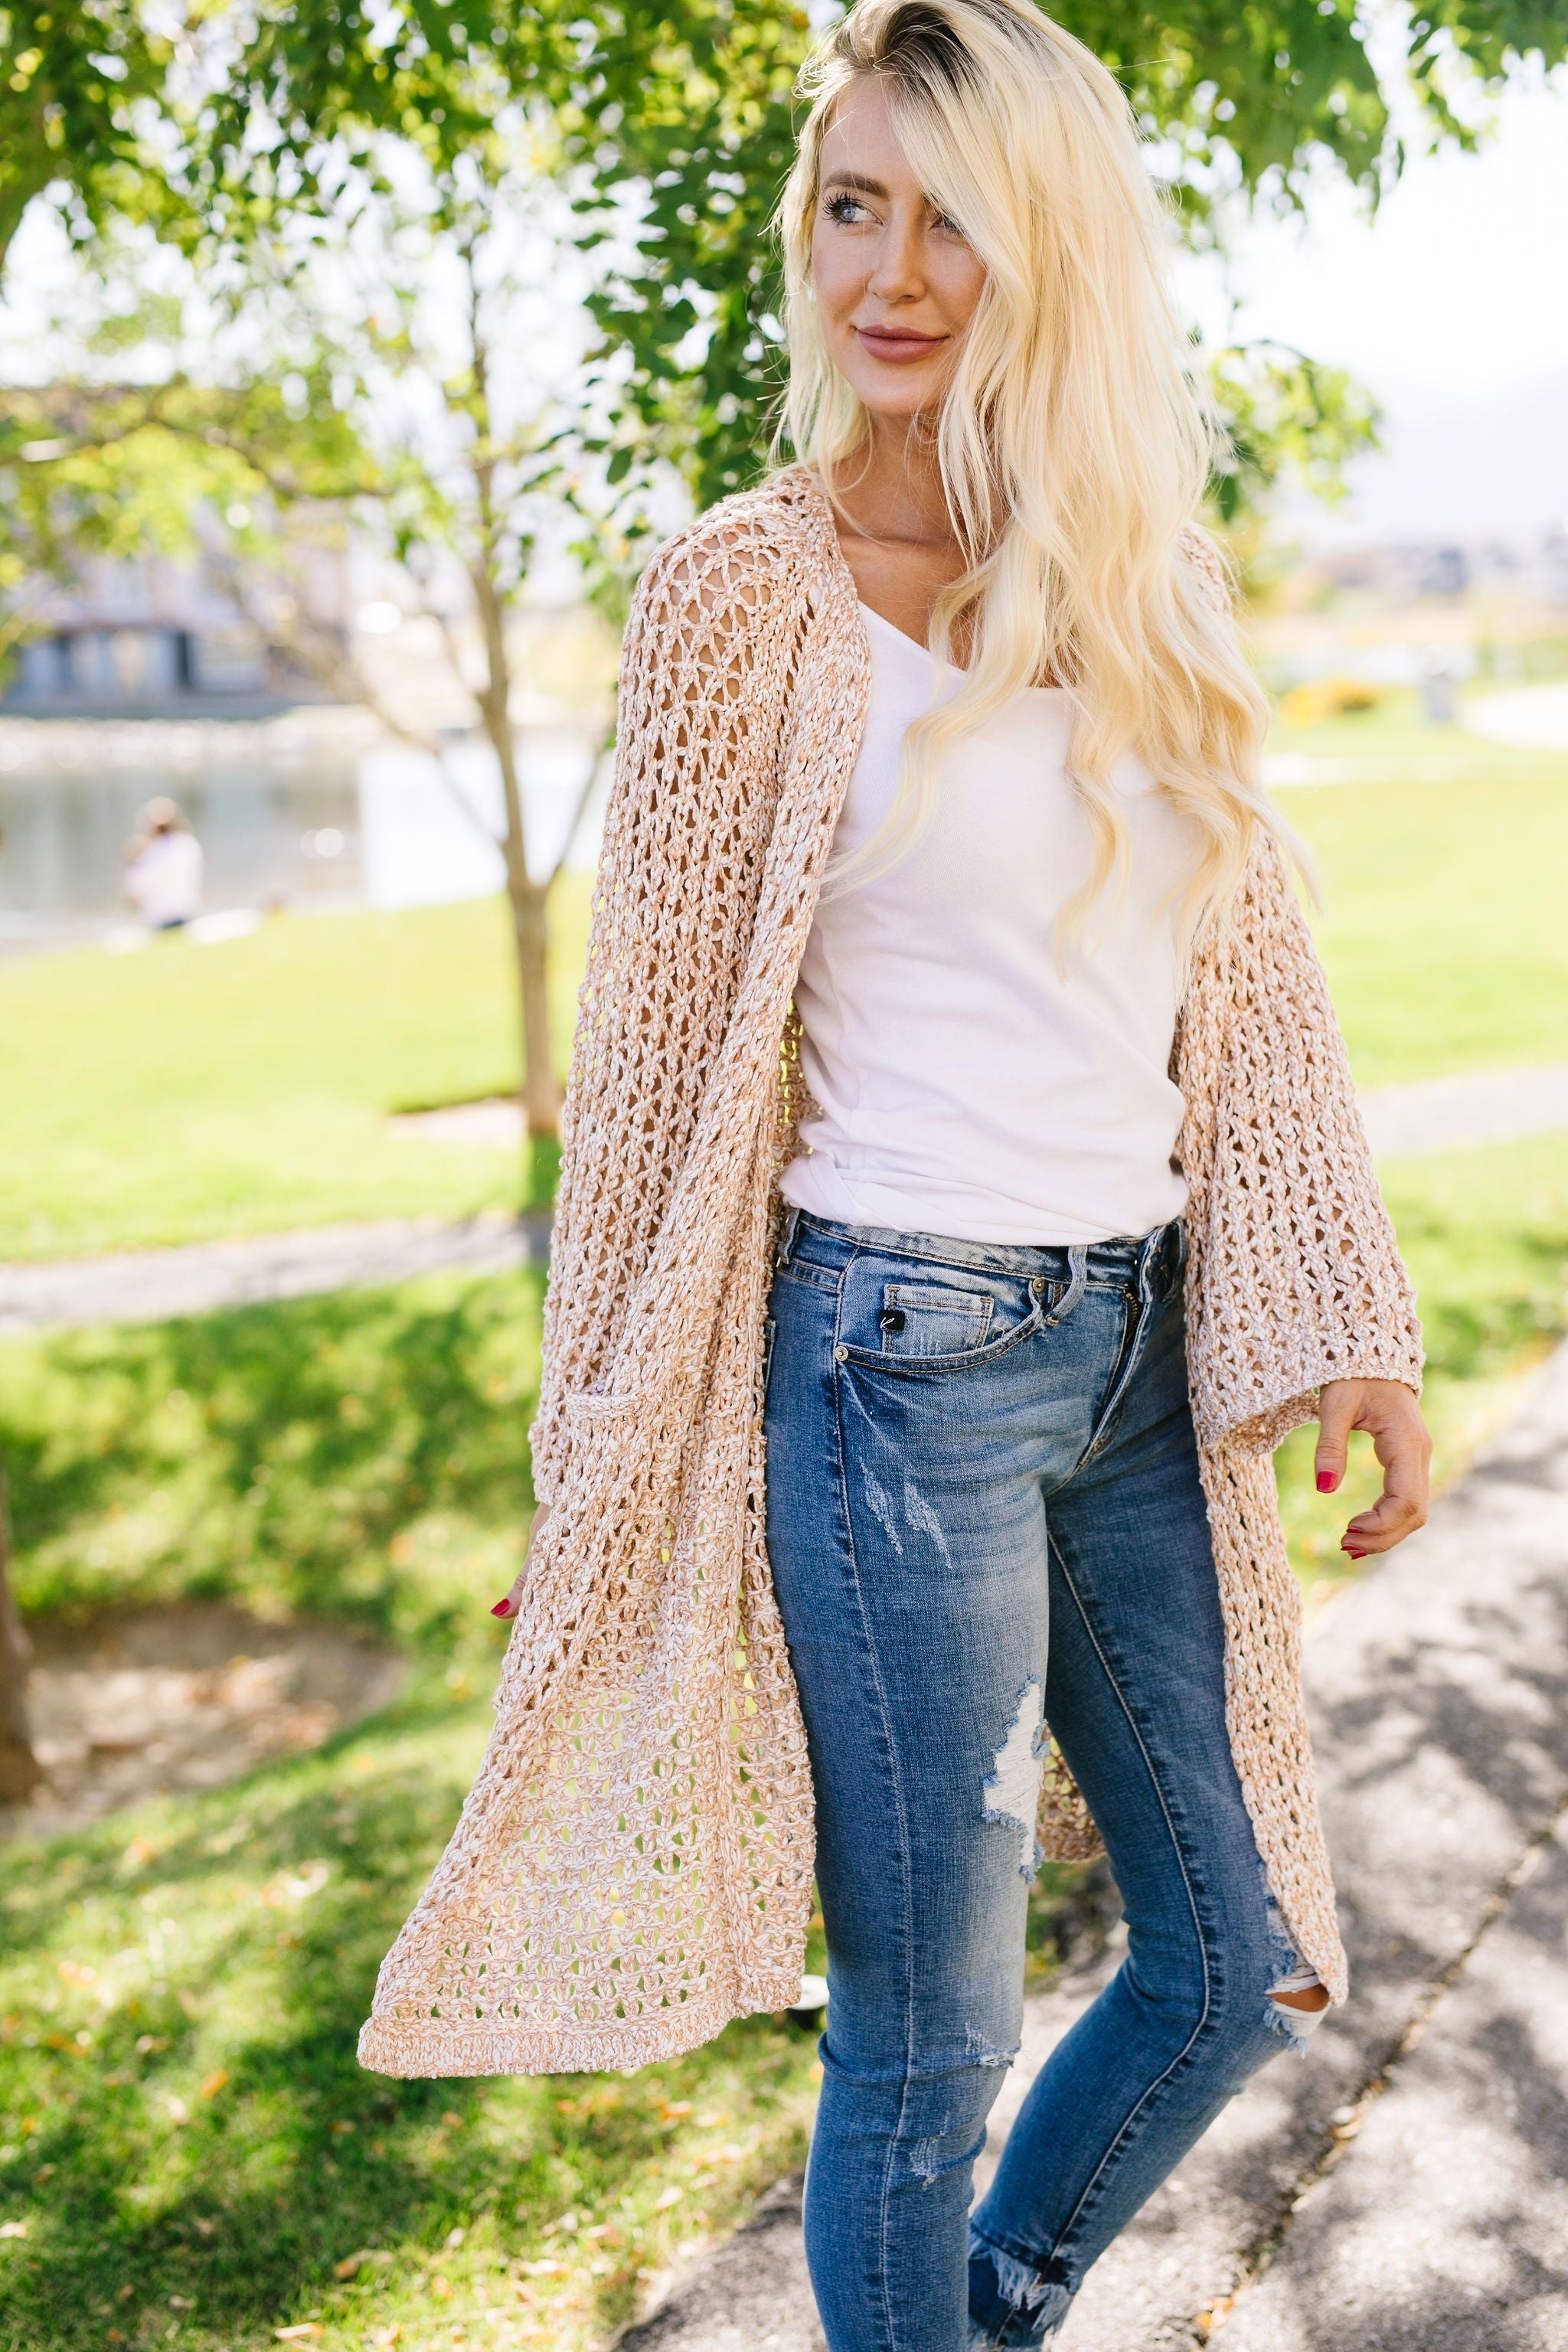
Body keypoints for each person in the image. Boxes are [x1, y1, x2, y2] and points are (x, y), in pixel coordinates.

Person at [358, 5, 1430, 2344]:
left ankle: (975, 2313)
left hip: (1137, 1352)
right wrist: (600, 1474)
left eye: (949, 214)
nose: (892, 265)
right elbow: (644, 1106)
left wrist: (1342, 1319)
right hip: (890, 1368)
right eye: (851, 203)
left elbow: (1246, 996)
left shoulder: (1145, 573)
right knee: (923, 2036)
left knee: (1233, 1950)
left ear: (1051, 248)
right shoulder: (735, 604)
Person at [123, 798, 204, 931]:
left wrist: (134, 861)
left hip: (161, 919)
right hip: (189, 911)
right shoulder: (189, 844)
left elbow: (136, 888)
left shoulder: (152, 853)